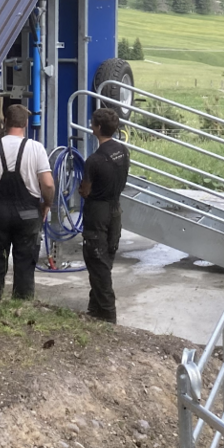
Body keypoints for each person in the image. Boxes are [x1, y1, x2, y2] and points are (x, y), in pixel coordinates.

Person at [0, 103, 54, 300]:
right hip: (28, 214)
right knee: (25, 262)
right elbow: (48, 184)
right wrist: (46, 205)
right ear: (25, 124)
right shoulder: (36, 148)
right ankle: (21, 305)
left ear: (6, 121)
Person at [78, 108, 130, 323]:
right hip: (115, 210)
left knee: (98, 263)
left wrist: (82, 190)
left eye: (92, 123)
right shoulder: (123, 151)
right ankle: (95, 309)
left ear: (97, 128)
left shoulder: (95, 160)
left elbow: (85, 190)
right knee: (104, 260)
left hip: (97, 214)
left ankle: (108, 315)